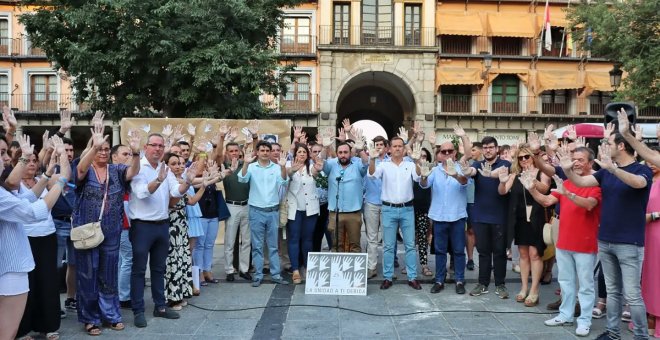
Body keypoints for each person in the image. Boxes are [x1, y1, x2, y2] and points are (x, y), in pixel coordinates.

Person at [561, 133, 652, 340]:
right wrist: (567, 169)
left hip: (630, 242)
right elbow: (582, 181)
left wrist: (613, 169)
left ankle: (641, 336)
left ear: (621, 146)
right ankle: (612, 333)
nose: (604, 146)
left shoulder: (641, 169)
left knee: (632, 294)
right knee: (612, 291)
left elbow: (639, 183)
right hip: (605, 239)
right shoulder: (605, 172)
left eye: (608, 143)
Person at [524, 146, 601, 337]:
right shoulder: (565, 182)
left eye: (580, 159)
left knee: (585, 285)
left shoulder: (596, 184)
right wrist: (532, 189)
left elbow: (590, 204)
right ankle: (565, 315)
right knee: (565, 281)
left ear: (590, 163)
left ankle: (584, 320)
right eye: (574, 159)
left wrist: (569, 195)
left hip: (585, 243)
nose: (575, 162)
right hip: (564, 241)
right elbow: (547, 201)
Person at [72, 124, 140, 335]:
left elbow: (133, 171)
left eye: (105, 149)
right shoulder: (85, 168)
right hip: (88, 231)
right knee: (88, 274)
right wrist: (94, 144)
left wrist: (136, 152)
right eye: (98, 149)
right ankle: (90, 318)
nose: (102, 152)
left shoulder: (116, 170)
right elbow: (80, 170)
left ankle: (111, 315)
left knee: (109, 275)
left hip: (112, 231)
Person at [0, 134, 70, 340]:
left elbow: (25, 199)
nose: (6, 159)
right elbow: (33, 213)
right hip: (10, 270)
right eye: (2, 153)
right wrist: (62, 180)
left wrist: (48, 177)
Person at [127, 133, 199, 328]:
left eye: (161, 146)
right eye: (154, 145)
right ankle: (138, 310)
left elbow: (176, 191)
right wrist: (158, 180)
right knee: (139, 270)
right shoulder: (138, 167)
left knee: (159, 269)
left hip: (162, 224)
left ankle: (160, 306)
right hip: (142, 225)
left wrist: (188, 182)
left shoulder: (164, 167)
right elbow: (141, 193)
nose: (158, 149)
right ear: (146, 147)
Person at [497, 145, 551, 307]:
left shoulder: (542, 173)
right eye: (520, 158)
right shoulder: (515, 175)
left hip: (537, 218)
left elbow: (545, 189)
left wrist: (531, 180)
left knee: (535, 254)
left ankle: (534, 290)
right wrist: (501, 182)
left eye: (526, 157)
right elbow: (503, 191)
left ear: (533, 157)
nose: (523, 160)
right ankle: (524, 287)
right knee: (523, 254)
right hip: (519, 218)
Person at [368, 137, 423, 291]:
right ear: (389, 149)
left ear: (404, 149)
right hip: (388, 209)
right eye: (395, 146)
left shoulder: (410, 164)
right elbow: (372, 175)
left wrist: (418, 161)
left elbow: (419, 177)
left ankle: (412, 277)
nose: (398, 148)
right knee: (388, 246)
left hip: (407, 209)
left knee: (410, 245)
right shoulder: (383, 165)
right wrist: (372, 159)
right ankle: (387, 277)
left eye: (400, 146)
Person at [460, 136, 511, 299]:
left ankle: (500, 284)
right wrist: (466, 170)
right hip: (480, 215)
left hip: (499, 216)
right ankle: (482, 283)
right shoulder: (478, 164)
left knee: (499, 252)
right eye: (485, 147)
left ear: (497, 149)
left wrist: (491, 174)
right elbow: (472, 172)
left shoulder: (505, 164)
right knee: (483, 252)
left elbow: (500, 173)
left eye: (491, 147)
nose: (488, 150)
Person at [238, 141, 289, 287]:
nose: (266, 152)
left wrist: (283, 166)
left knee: (273, 246)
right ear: (258, 152)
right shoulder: (252, 167)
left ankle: (276, 274)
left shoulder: (276, 167)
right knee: (257, 246)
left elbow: (284, 182)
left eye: (268, 150)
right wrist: (246, 164)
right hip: (256, 211)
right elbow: (242, 179)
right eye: (263, 150)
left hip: (273, 211)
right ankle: (258, 275)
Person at [420, 142, 469, 294]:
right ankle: (439, 280)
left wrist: (455, 175)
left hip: (457, 216)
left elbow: (465, 182)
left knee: (459, 251)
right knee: (440, 251)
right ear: (439, 154)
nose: (447, 153)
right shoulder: (435, 170)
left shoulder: (462, 168)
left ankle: (459, 280)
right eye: (444, 151)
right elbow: (424, 185)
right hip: (439, 217)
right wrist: (423, 176)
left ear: (455, 153)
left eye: (450, 151)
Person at [285, 143, 323, 284]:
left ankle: (307, 267)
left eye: (304, 152)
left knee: (308, 239)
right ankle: (295, 269)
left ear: (307, 155)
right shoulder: (289, 166)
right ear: (295, 154)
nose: (302, 154)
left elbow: (316, 171)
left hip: (310, 210)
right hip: (294, 210)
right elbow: (285, 177)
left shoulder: (311, 167)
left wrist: (318, 169)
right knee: (294, 239)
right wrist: (291, 171)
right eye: (299, 152)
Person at [322, 141, 368, 254]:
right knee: (336, 246)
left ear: (350, 153)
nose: (343, 155)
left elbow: (366, 163)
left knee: (355, 245)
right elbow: (320, 162)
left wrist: (360, 149)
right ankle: (338, 270)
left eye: (346, 152)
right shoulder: (331, 164)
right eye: (340, 152)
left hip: (354, 212)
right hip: (335, 212)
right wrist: (325, 147)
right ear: (337, 153)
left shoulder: (357, 163)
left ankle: (354, 271)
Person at [110, 144, 134, 310]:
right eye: (125, 154)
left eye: (130, 154)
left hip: (126, 223)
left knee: (121, 260)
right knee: (128, 258)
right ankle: (124, 296)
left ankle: (119, 293)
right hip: (120, 224)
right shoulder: (113, 172)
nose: (128, 157)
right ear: (114, 157)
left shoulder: (126, 173)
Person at [363, 136, 389, 278]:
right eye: (376, 145)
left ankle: (388, 269)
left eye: (381, 144)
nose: (378, 147)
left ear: (386, 147)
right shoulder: (368, 161)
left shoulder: (392, 161)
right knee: (371, 237)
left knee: (388, 238)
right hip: (371, 202)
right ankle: (371, 267)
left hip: (387, 204)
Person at [642, 147, 660, 338]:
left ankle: (656, 316)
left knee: (657, 274)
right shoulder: (644, 180)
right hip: (642, 232)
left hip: (658, 232)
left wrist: (655, 215)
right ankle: (646, 313)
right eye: (648, 159)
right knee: (645, 274)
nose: (651, 163)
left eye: (654, 159)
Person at [413, 147, 433, 278]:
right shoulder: (411, 168)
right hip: (408, 208)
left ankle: (424, 264)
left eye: (425, 156)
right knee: (410, 240)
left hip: (424, 209)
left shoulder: (431, 171)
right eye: (420, 156)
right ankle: (409, 265)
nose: (422, 158)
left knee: (422, 238)